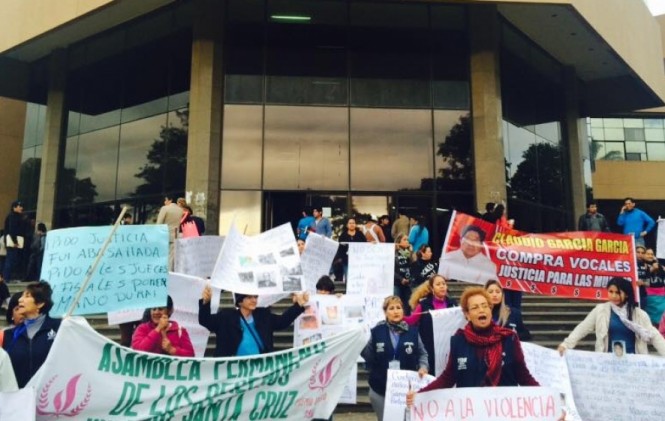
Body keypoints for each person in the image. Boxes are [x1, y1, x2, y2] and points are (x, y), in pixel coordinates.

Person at [406, 287, 537, 404]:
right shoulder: (458, 340)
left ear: (490, 310)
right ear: (467, 315)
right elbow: (448, 377)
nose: (481, 310)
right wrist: (421, 395)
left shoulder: (509, 338)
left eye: (485, 306)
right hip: (471, 413)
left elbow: (524, 376)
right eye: (475, 307)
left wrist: (550, 400)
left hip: (503, 413)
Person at [558, 277, 665, 356]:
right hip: (607, 363)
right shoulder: (600, 310)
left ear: (627, 294)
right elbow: (582, 328)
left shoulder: (639, 314)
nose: (613, 296)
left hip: (635, 363)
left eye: (618, 292)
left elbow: (655, 336)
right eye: (610, 292)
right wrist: (565, 345)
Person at [362, 296, 428, 421]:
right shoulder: (377, 331)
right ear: (385, 312)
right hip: (380, 389)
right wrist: (359, 342)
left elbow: (422, 354)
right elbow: (368, 356)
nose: (396, 311)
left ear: (403, 311)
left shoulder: (413, 332)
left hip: (405, 390)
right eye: (391, 308)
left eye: (398, 308)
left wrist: (423, 367)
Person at [198, 285, 309, 356]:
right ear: (240, 301)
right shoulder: (226, 317)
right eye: (249, 297)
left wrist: (298, 305)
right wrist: (205, 303)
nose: (254, 300)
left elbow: (282, 321)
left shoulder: (263, 315)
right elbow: (205, 320)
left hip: (259, 370)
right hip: (232, 371)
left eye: (255, 297)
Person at [2, 282, 61, 387]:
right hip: (17, 399)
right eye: (22, 296)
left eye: (27, 296)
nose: (20, 299)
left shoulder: (59, 328)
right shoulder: (7, 335)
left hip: (48, 398)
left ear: (40, 303)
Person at [405, 274, 456, 374]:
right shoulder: (423, 305)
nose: (442, 286)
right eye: (438, 284)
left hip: (448, 348)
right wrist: (397, 316)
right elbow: (411, 320)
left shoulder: (453, 304)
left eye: (444, 284)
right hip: (429, 348)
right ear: (432, 288)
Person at [332, 218, 366, 283]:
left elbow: (365, 245)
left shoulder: (360, 234)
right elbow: (340, 248)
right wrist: (340, 258)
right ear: (347, 225)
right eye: (350, 223)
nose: (352, 225)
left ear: (355, 225)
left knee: (359, 277)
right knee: (348, 277)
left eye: (353, 223)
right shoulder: (343, 235)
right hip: (346, 260)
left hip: (359, 260)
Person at [157, 195, 184, 270]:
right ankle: (170, 273)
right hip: (175, 235)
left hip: (164, 235)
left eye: (166, 200)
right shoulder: (180, 210)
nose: (164, 202)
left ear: (170, 200)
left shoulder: (164, 208)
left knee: (162, 256)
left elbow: (159, 223)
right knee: (171, 258)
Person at [3, 200, 26, 282]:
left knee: (12, 260)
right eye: (19, 206)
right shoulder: (13, 216)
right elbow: (12, 230)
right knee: (10, 260)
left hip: (12, 241)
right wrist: (15, 241)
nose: (21, 208)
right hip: (13, 241)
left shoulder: (14, 216)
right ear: (14, 207)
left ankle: (8, 277)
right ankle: (6, 278)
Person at [643, 248, 665, 324]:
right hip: (649, 297)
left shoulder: (660, 266)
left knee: (661, 320)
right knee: (649, 320)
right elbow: (643, 279)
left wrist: (660, 266)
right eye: (648, 254)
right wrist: (651, 269)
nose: (650, 256)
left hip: (662, 298)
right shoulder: (642, 265)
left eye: (652, 254)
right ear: (644, 255)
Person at [394, 234, 414, 315]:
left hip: (408, 282)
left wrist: (411, 253)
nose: (407, 242)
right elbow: (392, 269)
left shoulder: (409, 253)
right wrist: (400, 279)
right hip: (397, 282)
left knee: (407, 304)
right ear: (399, 242)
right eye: (404, 240)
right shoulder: (394, 253)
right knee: (397, 302)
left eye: (407, 240)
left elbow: (413, 267)